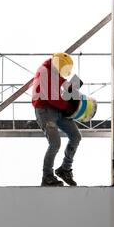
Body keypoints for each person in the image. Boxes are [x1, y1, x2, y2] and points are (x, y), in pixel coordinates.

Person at [32, 53, 82, 186]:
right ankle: (47, 176)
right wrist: (69, 106)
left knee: (76, 136)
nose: (62, 72)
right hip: (45, 111)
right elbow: (52, 97)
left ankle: (65, 169)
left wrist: (71, 88)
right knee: (55, 143)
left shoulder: (54, 69)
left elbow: (62, 82)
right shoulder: (43, 71)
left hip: (57, 109)